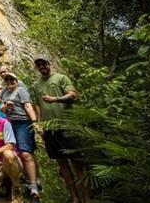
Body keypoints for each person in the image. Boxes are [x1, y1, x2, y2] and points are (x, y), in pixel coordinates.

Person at [31, 55, 88, 203]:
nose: (42, 67)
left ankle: (86, 198)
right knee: (62, 163)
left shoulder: (61, 78)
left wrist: (56, 99)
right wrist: (40, 124)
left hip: (66, 125)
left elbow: (73, 95)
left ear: (48, 64)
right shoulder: (36, 85)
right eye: (39, 65)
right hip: (50, 129)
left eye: (44, 64)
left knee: (77, 162)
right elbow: (37, 105)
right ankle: (74, 197)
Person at [0, 72, 40, 201]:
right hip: (10, 124)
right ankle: (25, 181)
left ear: (16, 81)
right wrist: (7, 106)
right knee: (15, 153)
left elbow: (28, 106)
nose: (10, 82)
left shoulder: (21, 90)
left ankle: (34, 187)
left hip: (23, 122)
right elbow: (2, 109)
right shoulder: (4, 92)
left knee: (26, 153)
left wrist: (34, 122)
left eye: (12, 80)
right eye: (7, 80)